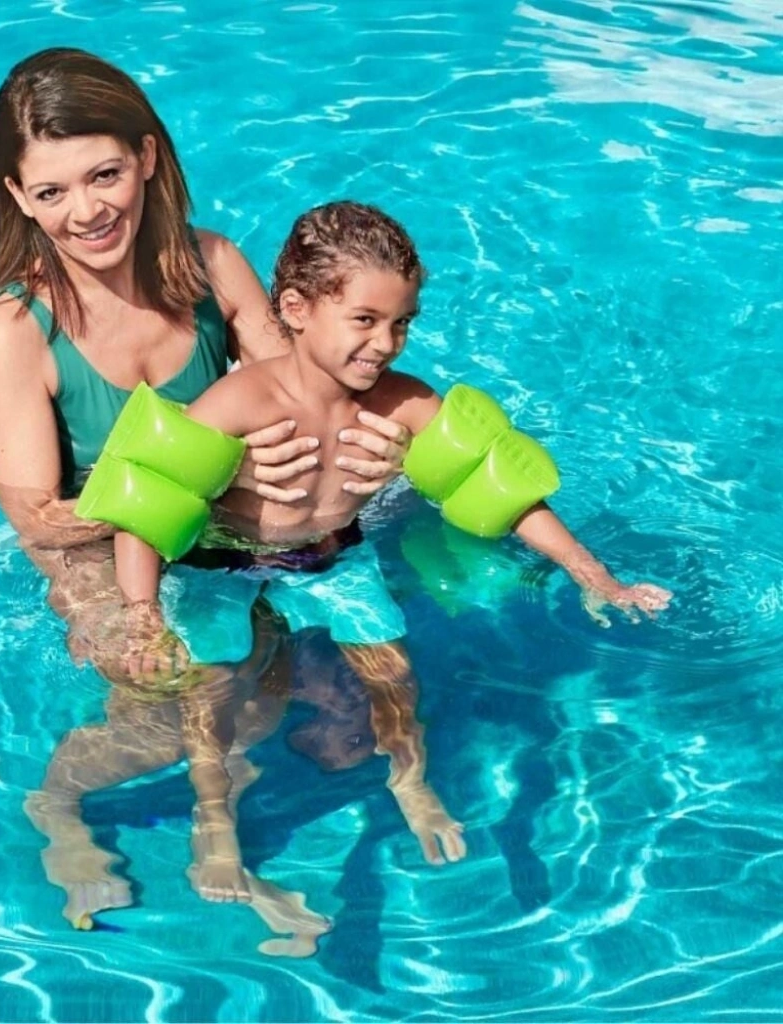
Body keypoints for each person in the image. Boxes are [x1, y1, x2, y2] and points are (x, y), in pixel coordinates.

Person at [0, 49, 415, 928]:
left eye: (104, 175)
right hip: (101, 544)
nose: (86, 211)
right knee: (168, 708)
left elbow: (313, 389)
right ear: (19, 197)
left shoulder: (210, 265)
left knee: (304, 703)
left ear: (147, 158)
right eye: (51, 191)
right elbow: (39, 519)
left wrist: (378, 451)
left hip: (234, 531)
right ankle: (58, 805)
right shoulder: (16, 325)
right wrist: (207, 479)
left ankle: (230, 826)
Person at [109, 200, 675, 901]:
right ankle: (214, 813)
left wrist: (596, 576)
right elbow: (146, 507)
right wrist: (141, 616)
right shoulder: (240, 402)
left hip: (331, 557)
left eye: (402, 322)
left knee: (393, 675)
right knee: (213, 689)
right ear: (295, 309)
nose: (386, 343)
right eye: (365, 320)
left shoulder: (404, 404)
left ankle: (411, 780)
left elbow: (501, 489)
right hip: (223, 565)